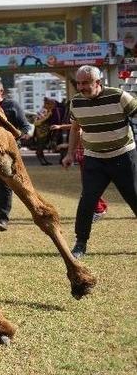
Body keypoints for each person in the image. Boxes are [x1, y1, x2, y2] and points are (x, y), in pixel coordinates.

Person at [62, 65, 137, 258]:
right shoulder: (76, 102)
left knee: (134, 198)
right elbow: (75, 128)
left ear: (98, 82)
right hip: (95, 159)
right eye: (78, 83)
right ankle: (80, 244)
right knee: (88, 200)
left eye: (85, 83)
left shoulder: (119, 96)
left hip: (123, 156)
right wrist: (70, 153)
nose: (81, 87)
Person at [0, 80, 31, 231]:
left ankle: (2, 219)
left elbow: (25, 126)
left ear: (1, 92)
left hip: (7, 152)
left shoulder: (12, 106)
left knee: (4, 184)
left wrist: (16, 137)